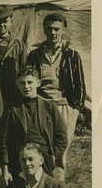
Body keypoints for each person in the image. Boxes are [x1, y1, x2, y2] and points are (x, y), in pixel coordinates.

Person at [26, 12, 87, 166]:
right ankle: (42, 183)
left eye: (56, 29)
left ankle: (58, 184)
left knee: (61, 149)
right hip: (42, 105)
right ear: (44, 30)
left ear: (63, 30)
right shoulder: (34, 55)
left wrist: (76, 109)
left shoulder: (72, 55)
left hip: (65, 106)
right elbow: (28, 80)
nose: (52, 33)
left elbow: (80, 84)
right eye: (49, 29)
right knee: (41, 146)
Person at [0, 66, 68, 182]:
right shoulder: (12, 109)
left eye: (30, 82)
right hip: (19, 159)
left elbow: (61, 136)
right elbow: (4, 140)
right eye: (22, 83)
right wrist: (5, 168)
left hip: (44, 157)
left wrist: (52, 155)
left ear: (38, 83)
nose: (26, 87)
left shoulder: (49, 106)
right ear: (17, 85)